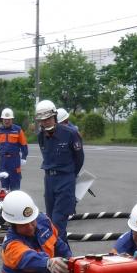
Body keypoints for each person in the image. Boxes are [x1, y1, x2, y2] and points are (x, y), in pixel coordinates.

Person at [36, 99, 84, 238]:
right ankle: (62, 256)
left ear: (54, 117)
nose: (45, 122)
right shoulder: (41, 136)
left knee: (58, 223)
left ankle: (61, 257)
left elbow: (79, 158)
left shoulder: (70, 133)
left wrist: (70, 176)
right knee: (50, 222)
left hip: (65, 179)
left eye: (48, 119)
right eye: (42, 120)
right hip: (49, 180)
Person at [0, 107, 28, 191]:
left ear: (12, 119)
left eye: (9, 119)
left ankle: (15, 203)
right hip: (3, 161)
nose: (7, 121)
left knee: (15, 184)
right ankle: (5, 202)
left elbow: (23, 144)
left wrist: (24, 157)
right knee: (4, 186)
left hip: (14, 160)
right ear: (2, 119)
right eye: (5, 119)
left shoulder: (18, 130)